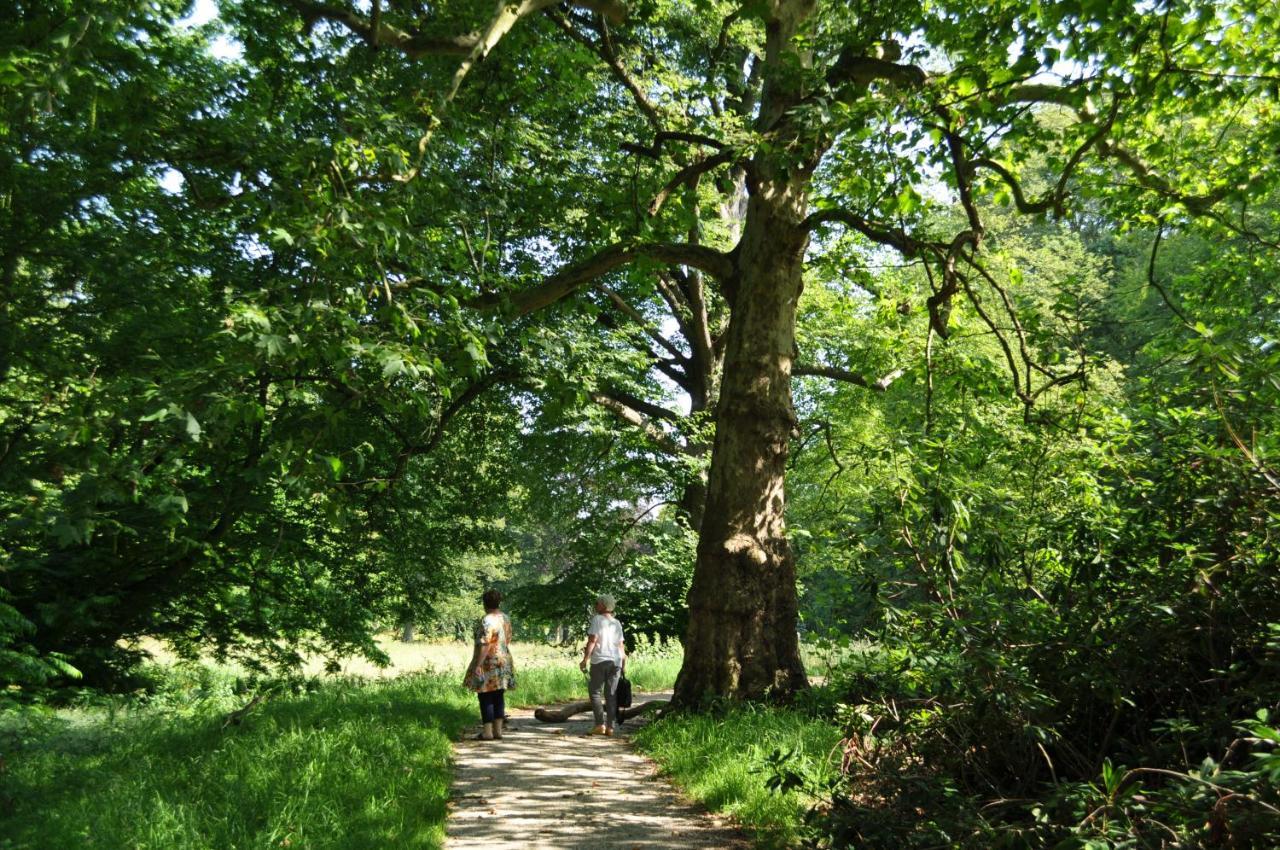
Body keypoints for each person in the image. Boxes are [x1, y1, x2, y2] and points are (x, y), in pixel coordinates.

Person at [463, 588, 515, 740]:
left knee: (485, 696)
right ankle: (498, 731)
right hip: (504, 660)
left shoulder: (486, 620)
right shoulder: (505, 618)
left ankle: (487, 732)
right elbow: (508, 639)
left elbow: (485, 644)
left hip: (488, 661)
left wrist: (478, 664)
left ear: (485, 604)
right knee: (499, 695)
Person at [579, 593, 626, 736]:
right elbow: (620, 645)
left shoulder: (597, 620)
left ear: (604, 605)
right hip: (615, 661)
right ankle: (611, 728)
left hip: (600, 660)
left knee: (595, 692)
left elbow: (592, 641)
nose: (595, 605)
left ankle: (600, 724)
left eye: (597, 603)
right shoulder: (616, 622)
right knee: (611, 694)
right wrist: (623, 663)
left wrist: (585, 659)